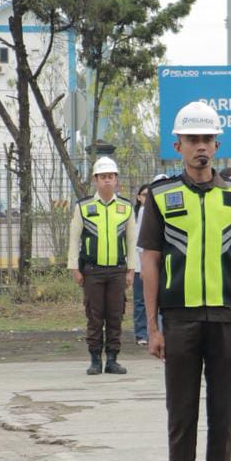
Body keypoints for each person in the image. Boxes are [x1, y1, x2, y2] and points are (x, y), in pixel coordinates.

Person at [141, 100, 231, 461]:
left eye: (207, 139)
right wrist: (152, 326)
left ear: (218, 144)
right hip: (180, 320)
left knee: (223, 417)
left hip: (228, 320)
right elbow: (150, 262)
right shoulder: (161, 197)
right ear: (178, 146)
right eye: (192, 140)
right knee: (182, 416)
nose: (200, 148)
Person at [68, 156, 138, 375]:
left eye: (111, 177)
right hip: (92, 271)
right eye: (103, 177)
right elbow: (74, 238)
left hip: (118, 270)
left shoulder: (126, 207)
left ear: (117, 180)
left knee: (116, 315)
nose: (107, 181)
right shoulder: (84, 206)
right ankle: (95, 359)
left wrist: (131, 269)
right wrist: (74, 268)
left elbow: (131, 240)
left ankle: (113, 360)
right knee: (94, 315)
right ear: (95, 180)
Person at [132, 183, 151, 347]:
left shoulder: (154, 212)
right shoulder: (134, 213)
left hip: (154, 265)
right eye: (144, 194)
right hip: (138, 265)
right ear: (138, 196)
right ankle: (141, 333)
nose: (147, 197)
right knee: (140, 301)